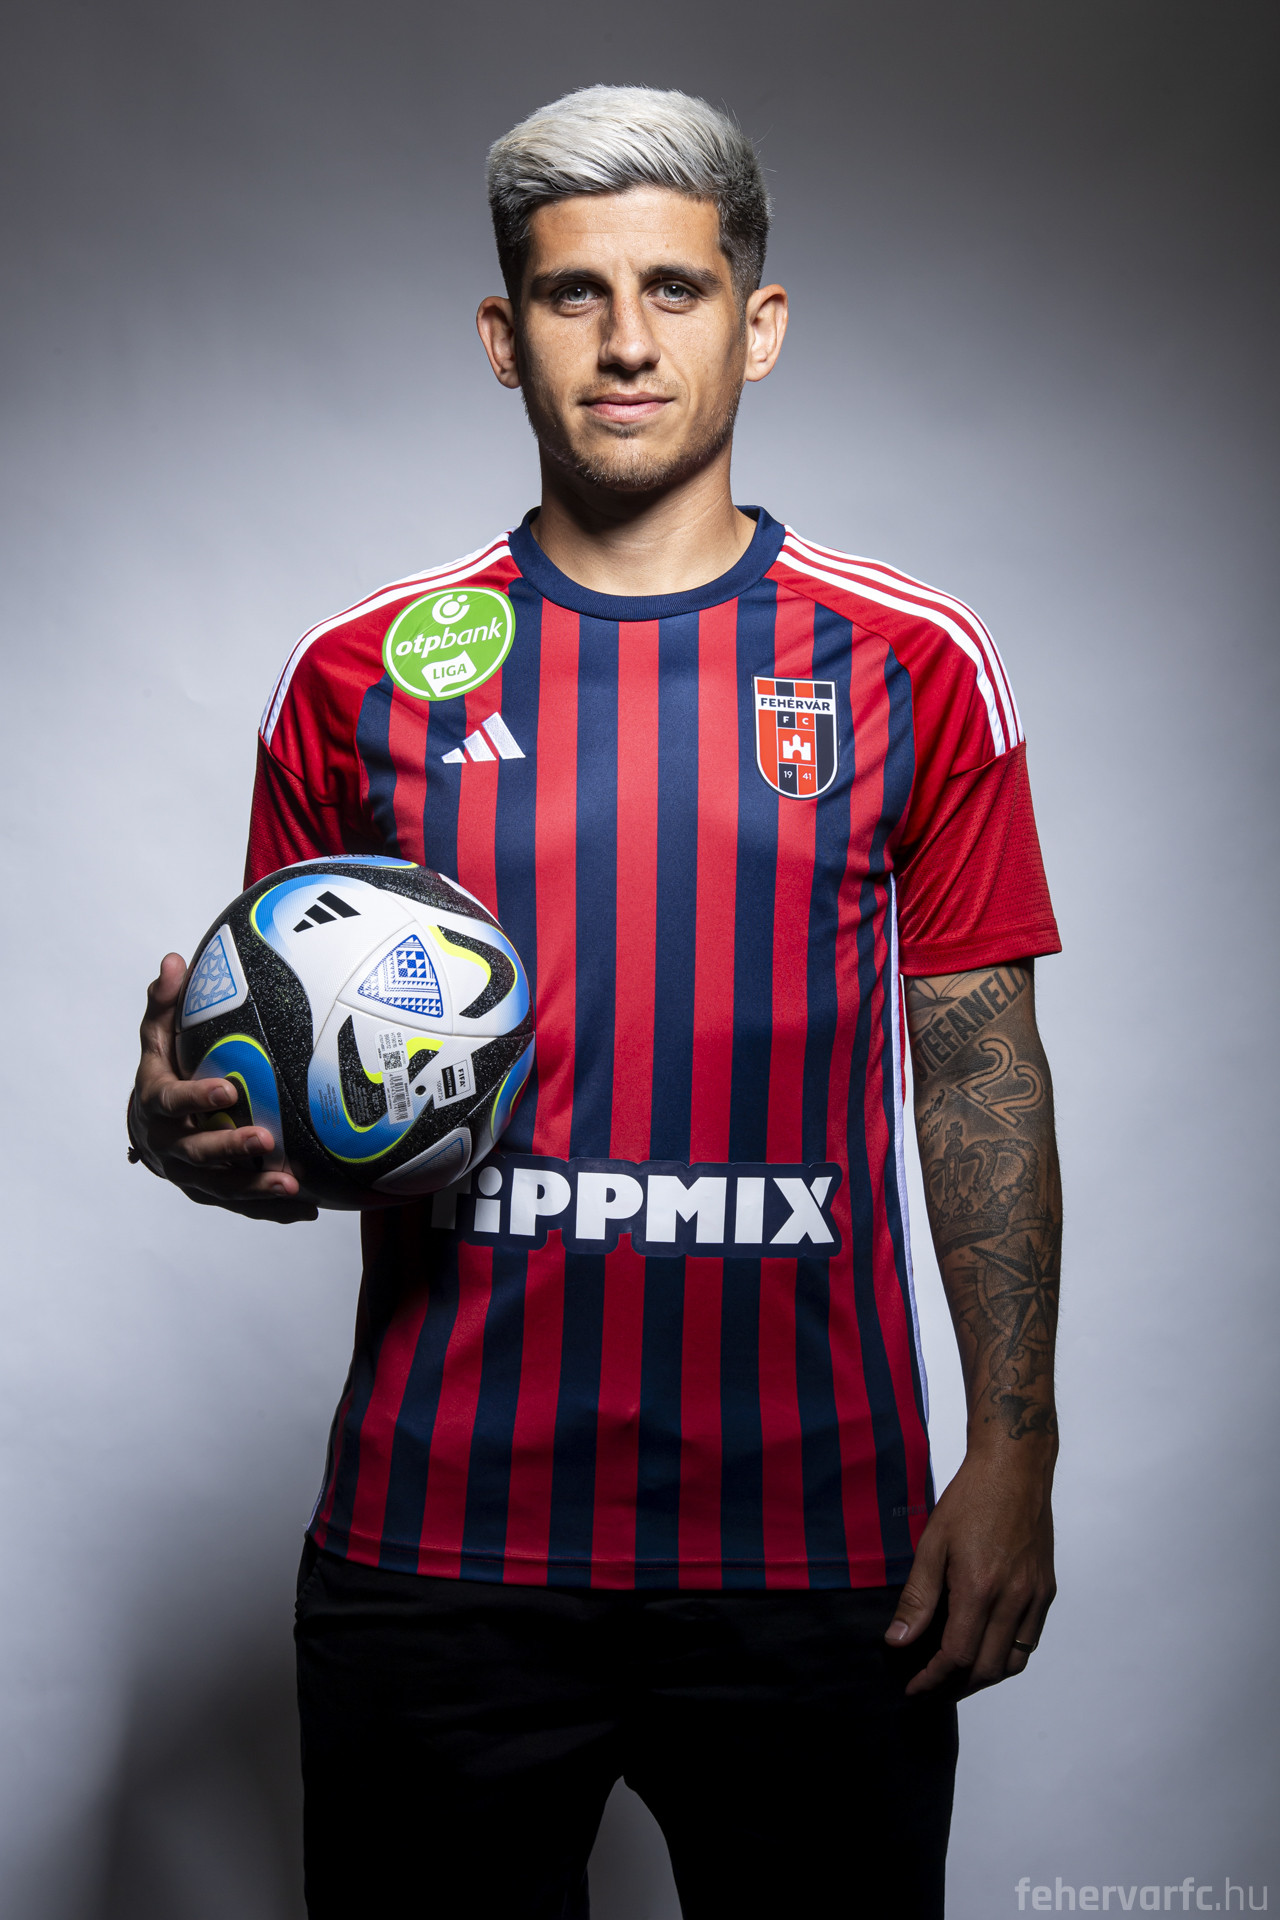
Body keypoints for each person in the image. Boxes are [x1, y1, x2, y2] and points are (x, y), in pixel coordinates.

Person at [128, 85, 1063, 1919]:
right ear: (505, 335)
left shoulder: (911, 662)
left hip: (819, 1553)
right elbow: (267, 1090)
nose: (627, 341)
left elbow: (979, 1073)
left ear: (757, 324)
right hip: (436, 1552)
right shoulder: (360, 672)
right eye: (574, 294)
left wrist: (1015, 1447)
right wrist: (180, 1136)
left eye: (675, 289)